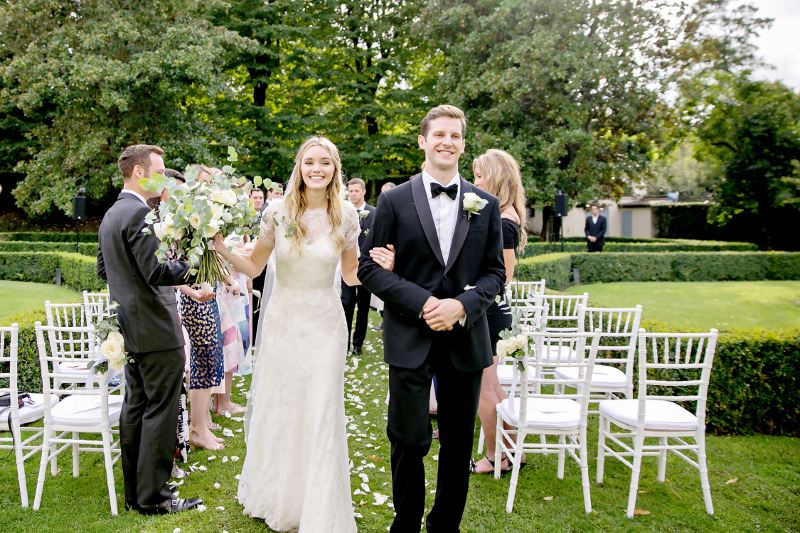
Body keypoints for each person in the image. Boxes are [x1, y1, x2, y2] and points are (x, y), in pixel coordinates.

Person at [214, 136, 395, 532]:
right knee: (285, 405)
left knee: (322, 405)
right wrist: (221, 249)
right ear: (300, 166)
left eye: (325, 163)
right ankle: (282, 496)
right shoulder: (277, 212)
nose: (317, 169)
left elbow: (350, 274)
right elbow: (255, 265)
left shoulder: (347, 214)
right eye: (310, 162)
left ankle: (319, 502)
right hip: (283, 321)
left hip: (325, 323)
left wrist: (379, 266)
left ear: (334, 169)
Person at [358, 105, 506, 533]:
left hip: (465, 338)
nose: (447, 142)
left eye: (455, 136)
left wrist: (462, 305)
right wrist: (425, 303)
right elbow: (369, 269)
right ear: (422, 141)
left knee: (459, 444)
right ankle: (404, 523)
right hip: (410, 335)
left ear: (463, 143)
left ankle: (445, 525)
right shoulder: (393, 200)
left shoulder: (487, 205)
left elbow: (495, 272)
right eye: (439, 134)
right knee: (407, 438)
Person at [96, 144, 203, 515]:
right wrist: (196, 263)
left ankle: (136, 492)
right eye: (159, 170)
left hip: (127, 327)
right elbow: (156, 271)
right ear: (140, 172)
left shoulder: (112, 214)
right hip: (155, 328)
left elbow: (103, 271)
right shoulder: (139, 212)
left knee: (137, 405)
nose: (162, 176)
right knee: (161, 408)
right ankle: (155, 498)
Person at [470, 149, 528, 475]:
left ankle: (495, 457)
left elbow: (504, 274)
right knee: (491, 387)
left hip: (489, 312)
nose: (475, 181)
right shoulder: (501, 214)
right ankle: (513, 449)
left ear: (496, 177)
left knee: (482, 390)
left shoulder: (505, 220)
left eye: (480, 175)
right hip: (494, 311)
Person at [180, 164, 239, 452]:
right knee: (203, 362)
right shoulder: (183, 220)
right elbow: (172, 264)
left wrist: (227, 279)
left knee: (212, 361)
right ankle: (197, 427)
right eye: (203, 183)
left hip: (210, 296)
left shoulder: (204, 222)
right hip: (195, 300)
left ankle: (200, 425)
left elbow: (212, 258)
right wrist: (191, 290)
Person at [340, 177, 376, 355]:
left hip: (366, 267)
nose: (353, 194)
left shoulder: (374, 213)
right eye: (350, 191)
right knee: (346, 302)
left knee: (363, 305)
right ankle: (344, 342)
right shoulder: (343, 212)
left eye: (356, 191)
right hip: (347, 265)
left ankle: (358, 344)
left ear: (363, 192)